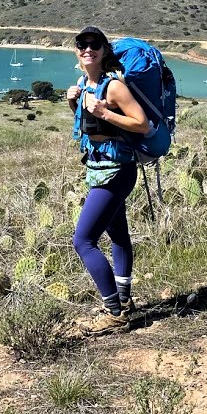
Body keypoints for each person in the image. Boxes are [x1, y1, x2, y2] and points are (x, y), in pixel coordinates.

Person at [66, 25, 149, 335]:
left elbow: (140, 123)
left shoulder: (113, 87)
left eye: (94, 44)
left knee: (83, 241)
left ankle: (114, 312)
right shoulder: (84, 84)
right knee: (118, 236)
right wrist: (73, 102)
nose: (88, 49)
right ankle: (125, 301)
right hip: (98, 168)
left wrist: (105, 111)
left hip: (116, 171)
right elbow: (88, 127)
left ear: (103, 51)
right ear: (76, 50)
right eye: (82, 44)